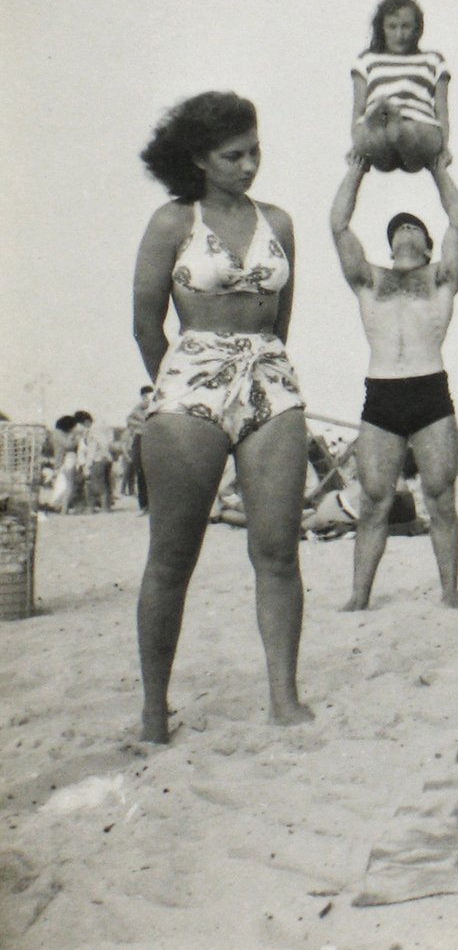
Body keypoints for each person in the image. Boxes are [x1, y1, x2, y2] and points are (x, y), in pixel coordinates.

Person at [133, 90, 312, 743]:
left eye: (254, 151)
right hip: (190, 381)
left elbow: (280, 320)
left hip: (269, 378)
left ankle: (285, 698)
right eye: (233, 155)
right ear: (200, 159)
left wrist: (259, 372)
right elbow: (146, 324)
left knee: (278, 551)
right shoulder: (171, 222)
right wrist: (178, 390)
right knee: (171, 558)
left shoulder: (281, 223)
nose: (248, 165)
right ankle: (154, 709)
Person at [331, 154, 458, 610]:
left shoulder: (442, 277)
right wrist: (357, 168)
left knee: (441, 497)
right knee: (374, 500)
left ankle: (450, 593)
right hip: (383, 391)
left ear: (429, 247)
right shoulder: (370, 279)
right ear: (390, 244)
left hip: (430, 388)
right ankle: (357, 596)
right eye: (399, 228)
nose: (406, 229)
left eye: (414, 227)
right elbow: (338, 226)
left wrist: (435, 168)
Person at [350, 0, 450, 174]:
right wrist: (357, 144)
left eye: (406, 27)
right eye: (392, 27)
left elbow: (441, 111)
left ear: (416, 29)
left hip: (420, 131)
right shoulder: (367, 60)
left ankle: (395, 123)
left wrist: (444, 147)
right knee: (373, 134)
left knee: (406, 130)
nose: (399, 34)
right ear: (382, 28)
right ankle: (389, 123)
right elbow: (358, 110)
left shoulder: (433, 60)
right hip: (379, 134)